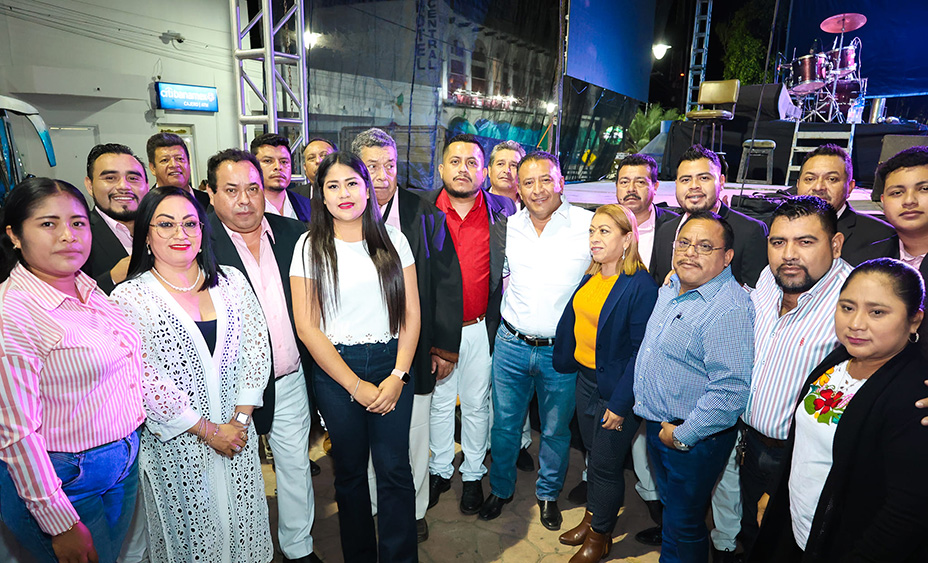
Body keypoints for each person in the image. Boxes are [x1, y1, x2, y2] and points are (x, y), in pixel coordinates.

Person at [110, 186, 272, 563]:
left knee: (243, 531)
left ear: (202, 231)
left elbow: (257, 349)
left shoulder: (231, 281)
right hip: (178, 445)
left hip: (237, 437)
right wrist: (208, 431)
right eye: (166, 225)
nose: (180, 234)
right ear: (146, 235)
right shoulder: (129, 297)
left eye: (190, 223)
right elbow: (144, 379)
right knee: (193, 541)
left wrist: (238, 423)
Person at [0, 178, 145, 563]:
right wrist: (59, 523)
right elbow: (16, 433)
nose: (68, 235)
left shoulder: (84, 287)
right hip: (63, 479)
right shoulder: (13, 312)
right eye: (48, 224)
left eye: (78, 223)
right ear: (15, 235)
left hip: (120, 462)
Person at [750, 258, 928, 562]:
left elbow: (906, 513)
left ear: (914, 320)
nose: (856, 323)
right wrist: (775, 490)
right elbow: (803, 444)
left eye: (877, 312)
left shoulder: (915, 397)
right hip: (800, 529)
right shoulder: (838, 361)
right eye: (847, 307)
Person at [290, 152, 420, 563]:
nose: (343, 193)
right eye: (333, 186)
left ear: (367, 189)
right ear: (321, 195)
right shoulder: (309, 246)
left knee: (395, 469)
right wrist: (354, 384)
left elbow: (412, 314)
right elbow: (307, 327)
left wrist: (398, 374)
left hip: (391, 364)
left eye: (351, 183)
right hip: (336, 370)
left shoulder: (394, 240)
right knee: (349, 473)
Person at [205, 149, 322, 563]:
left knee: (295, 466)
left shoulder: (295, 234)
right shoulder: (198, 243)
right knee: (235, 476)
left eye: (253, 189)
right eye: (231, 190)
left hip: (290, 377)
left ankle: (298, 548)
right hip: (229, 391)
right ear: (211, 194)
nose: (244, 200)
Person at [352, 127, 463, 542]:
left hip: (413, 348)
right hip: (358, 350)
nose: (382, 176)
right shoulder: (342, 215)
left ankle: (414, 510)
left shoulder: (426, 215)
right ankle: (373, 505)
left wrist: (443, 347)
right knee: (365, 435)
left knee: (415, 433)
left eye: (390, 165)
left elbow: (447, 282)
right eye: (372, 166)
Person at [480, 151, 593, 531]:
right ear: (518, 188)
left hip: (561, 351)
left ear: (561, 181)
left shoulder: (588, 226)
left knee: (556, 430)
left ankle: (547, 495)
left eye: (545, 179)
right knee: (505, 426)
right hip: (511, 344)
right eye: (528, 182)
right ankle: (501, 488)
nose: (538, 189)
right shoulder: (508, 227)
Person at [634, 211, 755, 563]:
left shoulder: (727, 309)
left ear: (727, 256)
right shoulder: (673, 286)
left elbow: (730, 389)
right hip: (660, 425)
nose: (690, 252)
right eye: (684, 243)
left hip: (692, 437)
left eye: (704, 247)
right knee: (674, 516)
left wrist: (683, 435)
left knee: (686, 524)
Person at [739, 196, 852, 552]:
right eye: (778, 242)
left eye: (805, 241)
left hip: (806, 460)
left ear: (835, 244)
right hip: (750, 444)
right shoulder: (768, 279)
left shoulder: (853, 300)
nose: (788, 254)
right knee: (752, 535)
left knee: (792, 545)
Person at [553, 204, 659, 562]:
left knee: (605, 465)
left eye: (604, 231)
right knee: (593, 457)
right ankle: (591, 520)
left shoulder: (640, 286)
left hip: (615, 392)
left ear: (627, 239)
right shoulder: (593, 275)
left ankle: (600, 536)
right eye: (592, 231)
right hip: (585, 380)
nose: (594, 238)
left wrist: (620, 404)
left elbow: (641, 353)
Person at [424, 134, 515, 516]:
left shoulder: (503, 211)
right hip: (435, 330)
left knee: (477, 404)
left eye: (472, 162)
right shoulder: (422, 211)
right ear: (441, 168)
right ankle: (440, 469)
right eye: (455, 161)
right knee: (439, 404)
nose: (463, 169)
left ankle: (474, 474)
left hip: (480, 327)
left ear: (484, 172)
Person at [613, 153, 679, 546]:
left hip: (663, 345)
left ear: (655, 187)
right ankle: (645, 493)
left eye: (641, 181)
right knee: (620, 416)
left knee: (653, 423)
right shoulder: (602, 223)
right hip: (617, 342)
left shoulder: (674, 230)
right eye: (624, 181)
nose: (632, 189)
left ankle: (663, 505)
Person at [652, 145, 768, 288]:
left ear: (721, 181)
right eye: (685, 180)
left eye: (704, 178)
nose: (694, 186)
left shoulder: (750, 231)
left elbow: (756, 294)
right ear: (676, 184)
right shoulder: (665, 231)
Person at [796, 143, 895, 265]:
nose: (818, 187)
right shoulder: (776, 228)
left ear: (850, 187)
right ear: (798, 185)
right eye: (810, 179)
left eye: (831, 179)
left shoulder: (881, 236)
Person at [875, 146, 928, 355]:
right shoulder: (867, 259)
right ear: (883, 202)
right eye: (897, 193)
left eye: (924, 189)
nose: (909, 201)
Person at [81, 143, 151, 293]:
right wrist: (113, 278)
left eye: (133, 178)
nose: (123, 186)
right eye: (110, 178)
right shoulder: (77, 235)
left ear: (147, 185)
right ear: (90, 185)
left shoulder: (165, 228)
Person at [249, 133, 313, 222]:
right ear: (253, 166)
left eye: (284, 162)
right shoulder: (245, 206)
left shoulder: (308, 206)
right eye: (268, 161)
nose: (278, 167)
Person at [146, 132, 210, 209]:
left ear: (189, 163)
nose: (174, 165)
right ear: (152, 168)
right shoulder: (144, 206)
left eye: (179, 159)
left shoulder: (210, 202)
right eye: (165, 160)